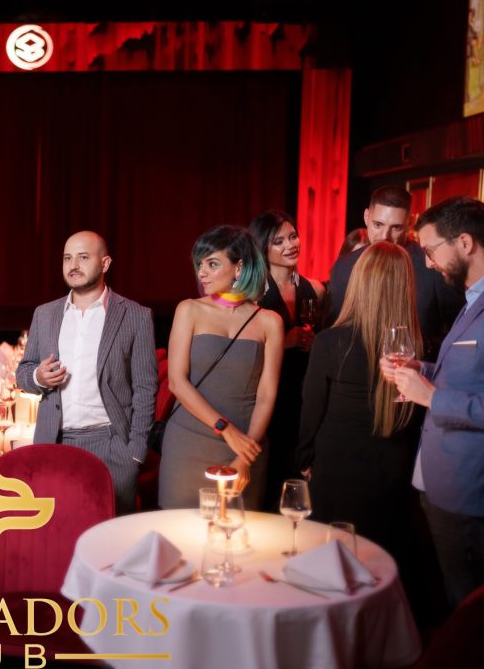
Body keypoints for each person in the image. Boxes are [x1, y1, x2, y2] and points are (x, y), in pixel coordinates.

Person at [386, 196, 484, 608]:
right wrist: (422, 369)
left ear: (464, 243)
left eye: (430, 250)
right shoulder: (471, 299)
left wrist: (431, 397)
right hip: (442, 483)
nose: (427, 264)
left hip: (469, 492)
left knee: (466, 613)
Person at [15, 231, 158, 514]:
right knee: (57, 530)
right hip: (55, 443)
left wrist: (135, 453)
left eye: (82, 257)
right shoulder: (45, 314)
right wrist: (38, 378)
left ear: (105, 263)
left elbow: (145, 388)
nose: (73, 265)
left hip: (112, 447)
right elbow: (23, 372)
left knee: (111, 534)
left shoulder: (135, 316)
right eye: (67, 258)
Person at [298, 242, 421, 566]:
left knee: (329, 566)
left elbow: (311, 410)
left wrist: (304, 458)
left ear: (359, 282)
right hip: (392, 465)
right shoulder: (416, 349)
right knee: (378, 566)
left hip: (336, 465)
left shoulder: (330, 341)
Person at [158, 225, 283, 509]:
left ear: (239, 268)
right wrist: (226, 430)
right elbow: (177, 382)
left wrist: (246, 454)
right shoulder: (189, 309)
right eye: (200, 264)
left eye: (212, 264)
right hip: (189, 443)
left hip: (247, 447)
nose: (202, 272)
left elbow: (266, 395)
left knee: (239, 532)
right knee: (180, 530)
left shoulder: (270, 322)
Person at [327, 185, 463, 357]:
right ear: (366, 217)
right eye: (378, 225)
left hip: (415, 367)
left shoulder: (433, 266)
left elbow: (459, 333)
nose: (385, 236)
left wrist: (421, 348)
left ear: (410, 223)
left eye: (396, 228)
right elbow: (334, 332)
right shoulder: (344, 266)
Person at [249, 211, 325, 510]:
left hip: (305, 394)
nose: (290, 245)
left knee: (299, 481)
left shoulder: (315, 289)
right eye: (278, 241)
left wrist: (317, 344)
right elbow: (243, 351)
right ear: (262, 247)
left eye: (293, 236)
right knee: (268, 480)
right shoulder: (253, 294)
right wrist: (285, 341)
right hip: (267, 396)